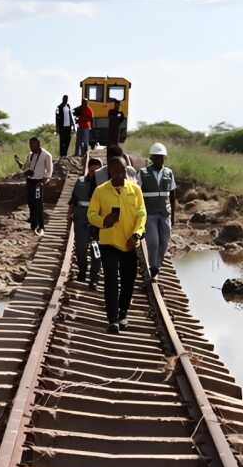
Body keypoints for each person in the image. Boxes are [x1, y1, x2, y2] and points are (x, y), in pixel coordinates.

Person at [88, 157, 146, 333]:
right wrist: (104, 221)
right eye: (116, 171)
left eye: (123, 171)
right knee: (111, 280)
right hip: (109, 243)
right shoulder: (100, 191)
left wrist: (136, 234)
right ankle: (112, 319)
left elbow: (141, 214)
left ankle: (123, 313)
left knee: (129, 280)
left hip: (129, 243)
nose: (120, 174)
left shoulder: (135, 190)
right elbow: (91, 215)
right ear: (110, 173)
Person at [138, 142, 177, 278]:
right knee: (153, 242)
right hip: (149, 214)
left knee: (164, 242)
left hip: (165, 213)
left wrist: (173, 217)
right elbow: (137, 195)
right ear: (151, 158)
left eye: (162, 157)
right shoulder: (143, 173)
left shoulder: (169, 173)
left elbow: (172, 195)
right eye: (157, 157)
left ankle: (157, 265)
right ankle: (153, 266)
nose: (159, 159)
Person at [68, 156, 103, 288]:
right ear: (89, 169)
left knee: (96, 250)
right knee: (81, 248)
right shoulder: (80, 181)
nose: (94, 174)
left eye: (97, 171)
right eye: (93, 170)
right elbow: (74, 199)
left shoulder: (104, 185)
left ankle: (94, 278)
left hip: (97, 221)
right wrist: (69, 214)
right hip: (81, 218)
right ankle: (82, 271)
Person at [14, 136, 53, 236]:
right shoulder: (30, 154)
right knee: (31, 203)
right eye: (29, 145)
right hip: (30, 181)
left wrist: (44, 181)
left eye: (32, 145)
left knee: (38, 204)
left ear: (38, 144)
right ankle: (33, 226)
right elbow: (25, 168)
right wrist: (19, 163)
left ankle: (41, 226)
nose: (30, 147)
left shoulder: (46, 155)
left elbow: (49, 171)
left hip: (39, 182)